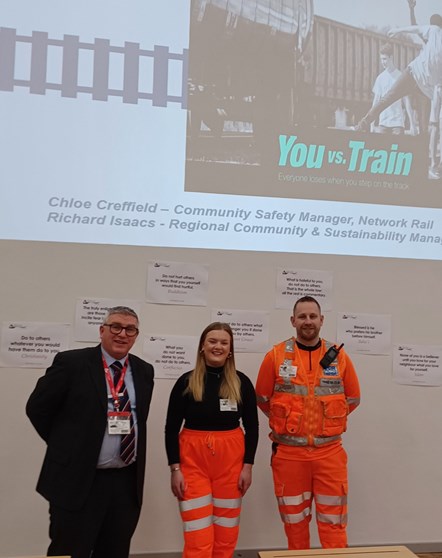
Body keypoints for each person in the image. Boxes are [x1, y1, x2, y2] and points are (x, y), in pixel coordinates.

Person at [26, 306, 155, 558]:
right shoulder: (72, 363)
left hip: (124, 483)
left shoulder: (144, 370)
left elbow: (140, 418)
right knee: (68, 551)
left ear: (136, 335)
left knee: (115, 551)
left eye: (130, 329)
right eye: (115, 326)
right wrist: (67, 447)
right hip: (78, 479)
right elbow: (37, 408)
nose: (122, 334)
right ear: (102, 330)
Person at [255, 296, 360, 550]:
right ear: (293, 321)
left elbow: (353, 399)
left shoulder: (340, 357)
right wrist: (288, 420)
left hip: (330, 455)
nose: (308, 321)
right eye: (302, 316)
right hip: (289, 457)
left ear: (321, 320)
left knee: (333, 524)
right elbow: (262, 398)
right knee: (294, 525)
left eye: (313, 316)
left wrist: (327, 422)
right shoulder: (276, 356)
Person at [165, 322, 259, 558]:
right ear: (202, 347)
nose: (218, 346)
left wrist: (248, 466)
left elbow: (253, 427)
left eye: (224, 342)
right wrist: (175, 468)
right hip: (192, 464)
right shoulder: (186, 382)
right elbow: (170, 429)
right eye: (212, 341)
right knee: (198, 535)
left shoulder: (241, 382)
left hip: (231, 465)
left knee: (226, 536)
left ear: (230, 350)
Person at [355, 15, 442, 132]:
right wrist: (398, 30)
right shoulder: (434, 31)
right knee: (389, 97)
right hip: (415, 76)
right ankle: (362, 125)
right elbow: (416, 28)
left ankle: (424, 139)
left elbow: (416, 29)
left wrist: (398, 30)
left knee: (388, 98)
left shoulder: (433, 34)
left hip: (422, 83)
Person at [370, 43, 416, 135]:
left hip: (397, 125)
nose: (383, 62)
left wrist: (413, 125)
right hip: (383, 124)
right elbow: (376, 102)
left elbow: (406, 102)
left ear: (391, 57)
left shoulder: (400, 77)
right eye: (381, 59)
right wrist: (371, 123)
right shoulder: (380, 78)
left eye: (385, 59)